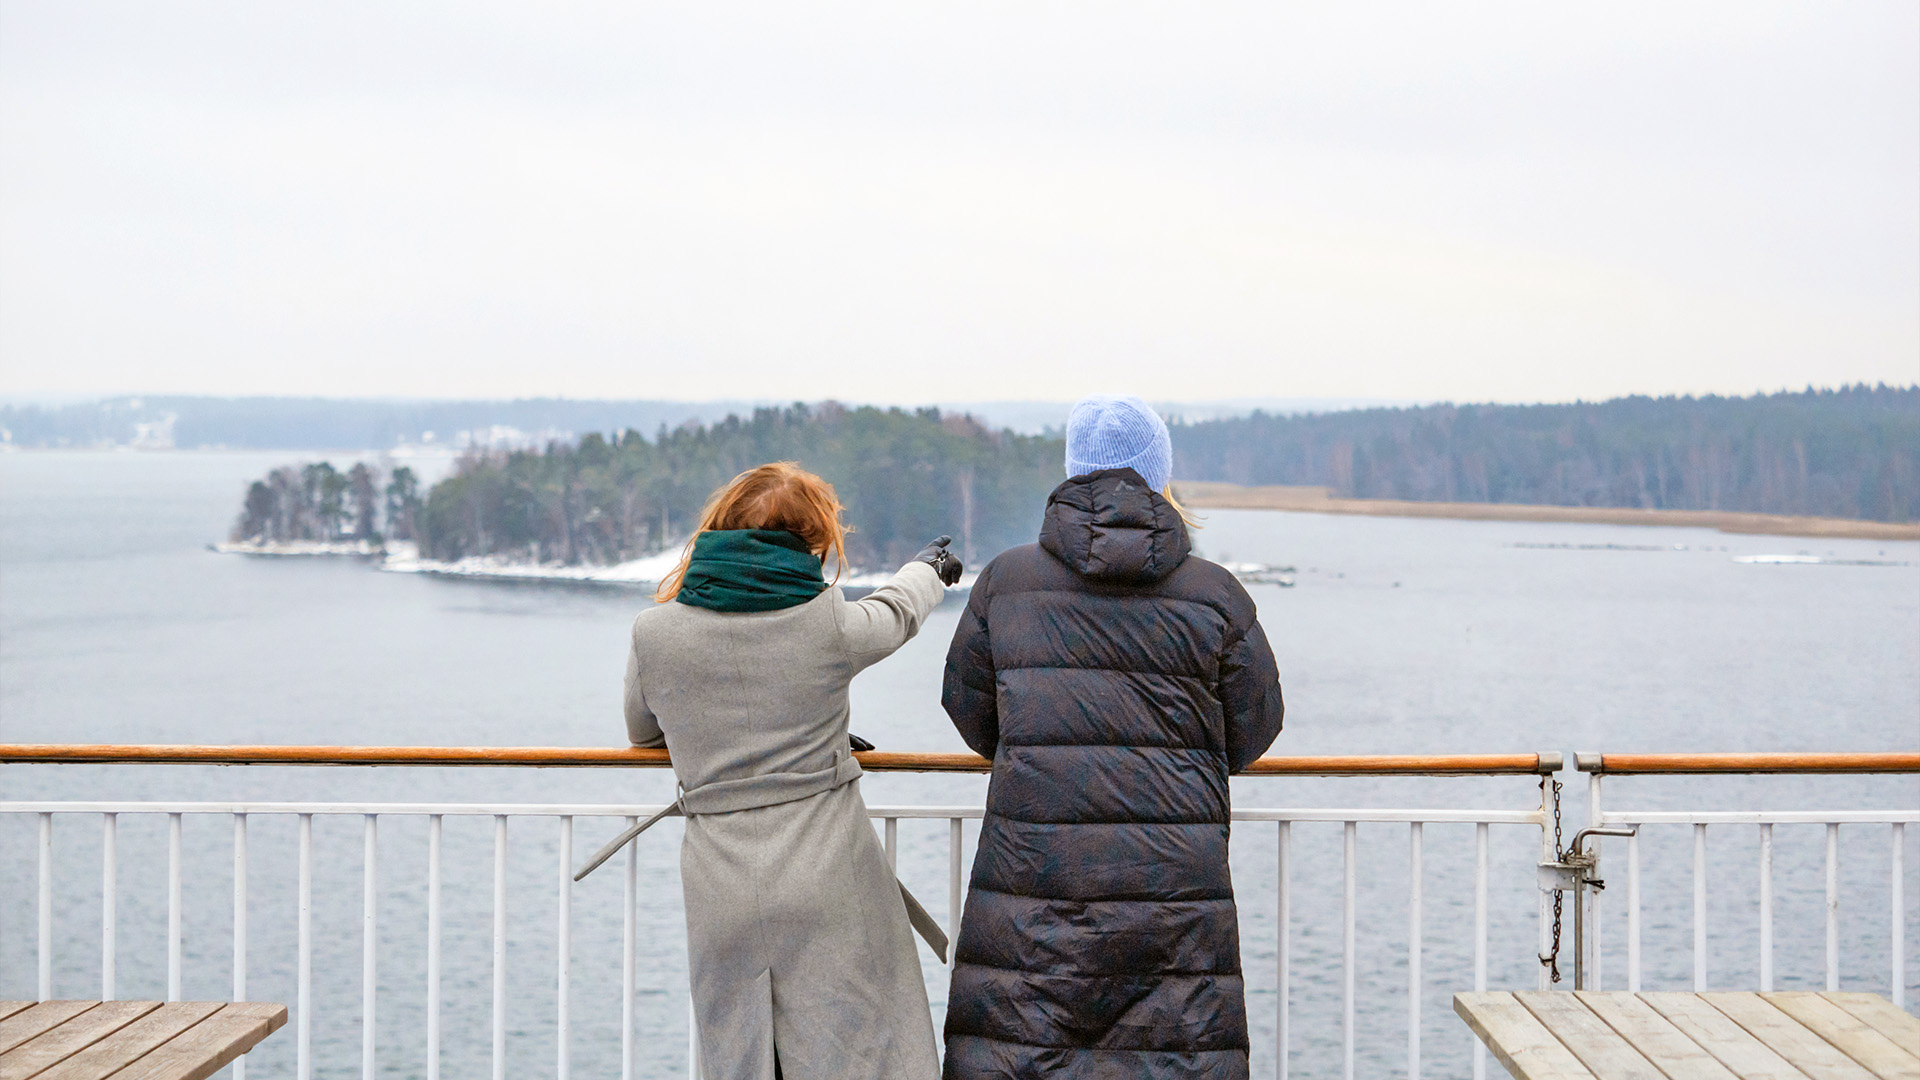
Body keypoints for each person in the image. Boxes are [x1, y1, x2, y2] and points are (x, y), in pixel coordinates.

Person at [940, 395, 1285, 1080]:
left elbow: (970, 710)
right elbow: (1255, 725)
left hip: (1035, 882)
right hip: (1173, 892)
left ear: (1073, 473)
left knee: (1024, 1051)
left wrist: (1040, 752)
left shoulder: (1006, 582)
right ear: (1160, 478)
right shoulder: (1214, 594)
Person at [623, 461, 964, 1080]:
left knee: (745, 1052)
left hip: (720, 886)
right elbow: (896, 612)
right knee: (861, 1050)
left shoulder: (655, 633)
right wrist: (928, 570)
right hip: (829, 876)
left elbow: (644, 732)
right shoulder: (828, 621)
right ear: (813, 543)